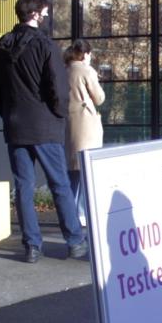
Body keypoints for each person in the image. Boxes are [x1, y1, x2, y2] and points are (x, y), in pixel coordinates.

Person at [0, 0, 86, 263]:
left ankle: (32, 246)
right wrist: (58, 114)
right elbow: (58, 87)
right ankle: (75, 241)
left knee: (23, 187)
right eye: (43, 11)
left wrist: (9, 113)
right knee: (60, 185)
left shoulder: (0, 47)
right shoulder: (46, 45)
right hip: (45, 125)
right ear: (34, 13)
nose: (45, 15)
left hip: (16, 125)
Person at [64, 39, 105, 227]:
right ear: (86, 54)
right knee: (85, 170)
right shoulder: (86, 71)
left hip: (69, 122)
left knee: (73, 171)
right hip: (86, 123)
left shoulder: (64, 69)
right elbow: (99, 97)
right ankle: (80, 213)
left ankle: (68, 212)